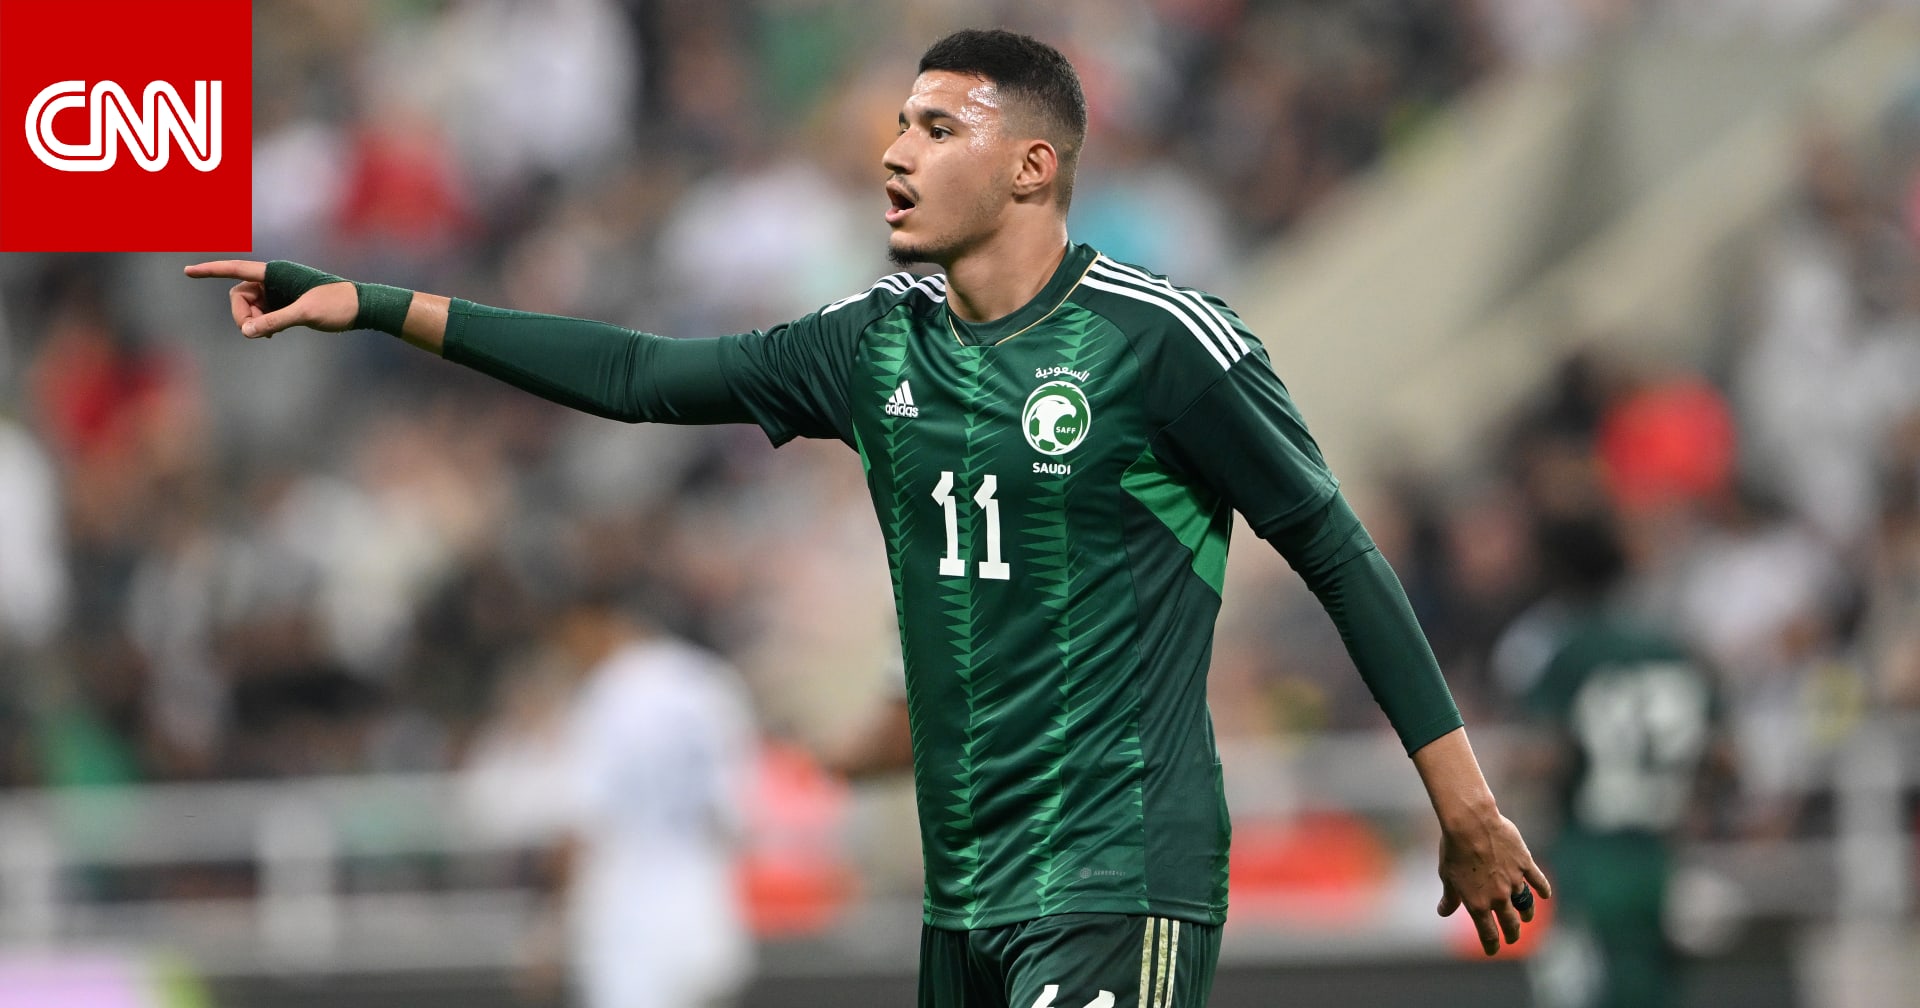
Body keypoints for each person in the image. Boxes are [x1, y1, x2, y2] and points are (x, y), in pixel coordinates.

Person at [189, 28, 1549, 1007]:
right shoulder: (870, 344)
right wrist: (373, 302)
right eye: (898, 125)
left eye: (937, 130)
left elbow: (1335, 551)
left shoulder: (1162, 342)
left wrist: (1466, 804)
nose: (893, 153)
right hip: (962, 893)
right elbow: (638, 376)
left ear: (1032, 167)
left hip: (1118, 870)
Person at [1507, 513, 1720, 1008]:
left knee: (1585, 987)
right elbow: (1724, 755)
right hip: (1662, 854)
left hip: (1592, 855)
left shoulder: (1571, 650)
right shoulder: (1672, 647)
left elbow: (1546, 755)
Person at [553, 583, 759, 1008]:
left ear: (601, 625)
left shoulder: (607, 692)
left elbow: (583, 823)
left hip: (628, 912)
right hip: (704, 905)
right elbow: (735, 816)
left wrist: (555, 921)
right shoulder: (712, 683)